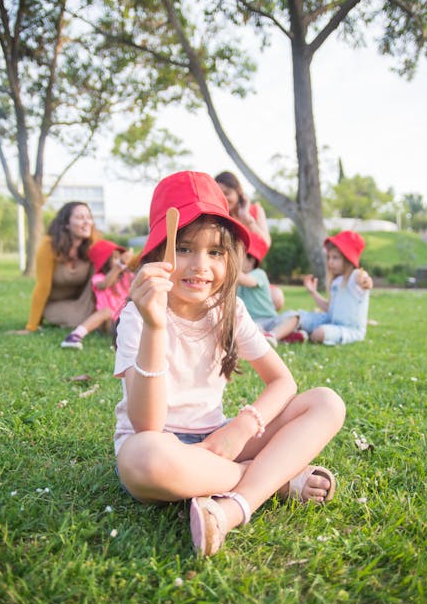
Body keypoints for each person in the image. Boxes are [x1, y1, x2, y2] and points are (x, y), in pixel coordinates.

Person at [114, 171, 346, 557]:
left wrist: (241, 427)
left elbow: (282, 382)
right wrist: (155, 325)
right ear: (158, 253)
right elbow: (148, 426)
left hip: (218, 440)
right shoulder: (137, 316)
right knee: (144, 460)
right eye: (184, 248)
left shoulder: (228, 309)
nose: (200, 265)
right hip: (163, 447)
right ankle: (276, 478)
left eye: (215, 252)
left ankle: (234, 507)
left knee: (326, 402)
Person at [17, 202, 99, 334]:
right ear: (66, 224)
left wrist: (144, 252)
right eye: (80, 218)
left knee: (103, 264)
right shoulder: (49, 246)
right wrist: (31, 327)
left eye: (88, 217)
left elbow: (121, 260)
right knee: (82, 320)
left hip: (83, 301)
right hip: (56, 303)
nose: (86, 222)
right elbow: (42, 287)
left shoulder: (94, 243)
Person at [286, 231, 373, 345]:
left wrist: (366, 281)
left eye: (335, 258)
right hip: (332, 323)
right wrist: (313, 292)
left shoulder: (354, 276)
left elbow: (364, 278)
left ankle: (301, 334)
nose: (330, 262)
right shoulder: (336, 282)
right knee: (299, 317)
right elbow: (329, 307)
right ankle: (297, 334)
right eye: (329, 257)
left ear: (347, 260)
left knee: (319, 333)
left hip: (350, 330)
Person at [214, 170, 284, 311]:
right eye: (219, 194)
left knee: (277, 297)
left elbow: (266, 243)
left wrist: (247, 218)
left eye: (227, 193)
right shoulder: (217, 216)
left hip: (250, 276)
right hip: (226, 278)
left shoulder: (255, 211)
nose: (224, 198)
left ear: (238, 192)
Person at [61, 239, 135, 349]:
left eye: (120, 257)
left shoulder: (126, 276)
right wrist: (119, 266)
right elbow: (104, 284)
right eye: (115, 258)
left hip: (124, 322)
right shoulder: (98, 278)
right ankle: (75, 335)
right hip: (107, 322)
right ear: (104, 262)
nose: (119, 260)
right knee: (107, 311)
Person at [237, 234, 308, 345]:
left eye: (237, 256)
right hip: (252, 322)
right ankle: (280, 337)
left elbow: (246, 281)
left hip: (270, 319)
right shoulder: (234, 282)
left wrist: (228, 269)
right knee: (244, 327)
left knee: (293, 316)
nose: (234, 260)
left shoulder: (258, 274)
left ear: (251, 261)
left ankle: (273, 336)